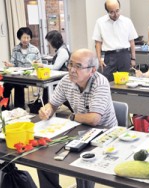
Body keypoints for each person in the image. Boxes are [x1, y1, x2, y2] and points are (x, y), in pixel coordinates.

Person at [37, 49, 118, 188]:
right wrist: (47, 110)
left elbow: (94, 119)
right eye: (70, 64)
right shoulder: (66, 80)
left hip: (104, 132)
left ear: (92, 70)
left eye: (78, 66)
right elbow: (53, 104)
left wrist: (73, 117)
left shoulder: (100, 82)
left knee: (81, 161)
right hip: (79, 129)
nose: (72, 70)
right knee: (43, 156)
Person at [92, 0, 138, 82]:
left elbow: (132, 42)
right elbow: (98, 43)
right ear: (107, 11)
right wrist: (99, 59)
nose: (116, 14)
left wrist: (133, 58)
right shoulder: (100, 22)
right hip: (109, 56)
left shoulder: (127, 21)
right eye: (112, 12)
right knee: (107, 82)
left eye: (117, 11)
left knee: (124, 82)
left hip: (124, 55)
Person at [33, 30, 72, 111]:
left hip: (62, 78)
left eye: (49, 41)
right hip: (61, 77)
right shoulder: (61, 49)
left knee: (49, 88)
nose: (49, 44)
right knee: (48, 88)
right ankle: (46, 108)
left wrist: (42, 65)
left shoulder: (62, 51)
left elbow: (55, 67)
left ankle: (46, 109)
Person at [3, 27, 41, 110]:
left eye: (28, 37)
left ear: (30, 38)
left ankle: (19, 108)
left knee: (18, 85)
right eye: (24, 37)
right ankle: (3, 107)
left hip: (30, 76)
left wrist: (36, 65)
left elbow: (39, 65)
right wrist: (9, 64)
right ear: (19, 38)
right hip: (18, 75)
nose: (26, 40)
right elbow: (13, 64)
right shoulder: (15, 49)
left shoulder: (35, 50)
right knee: (6, 84)